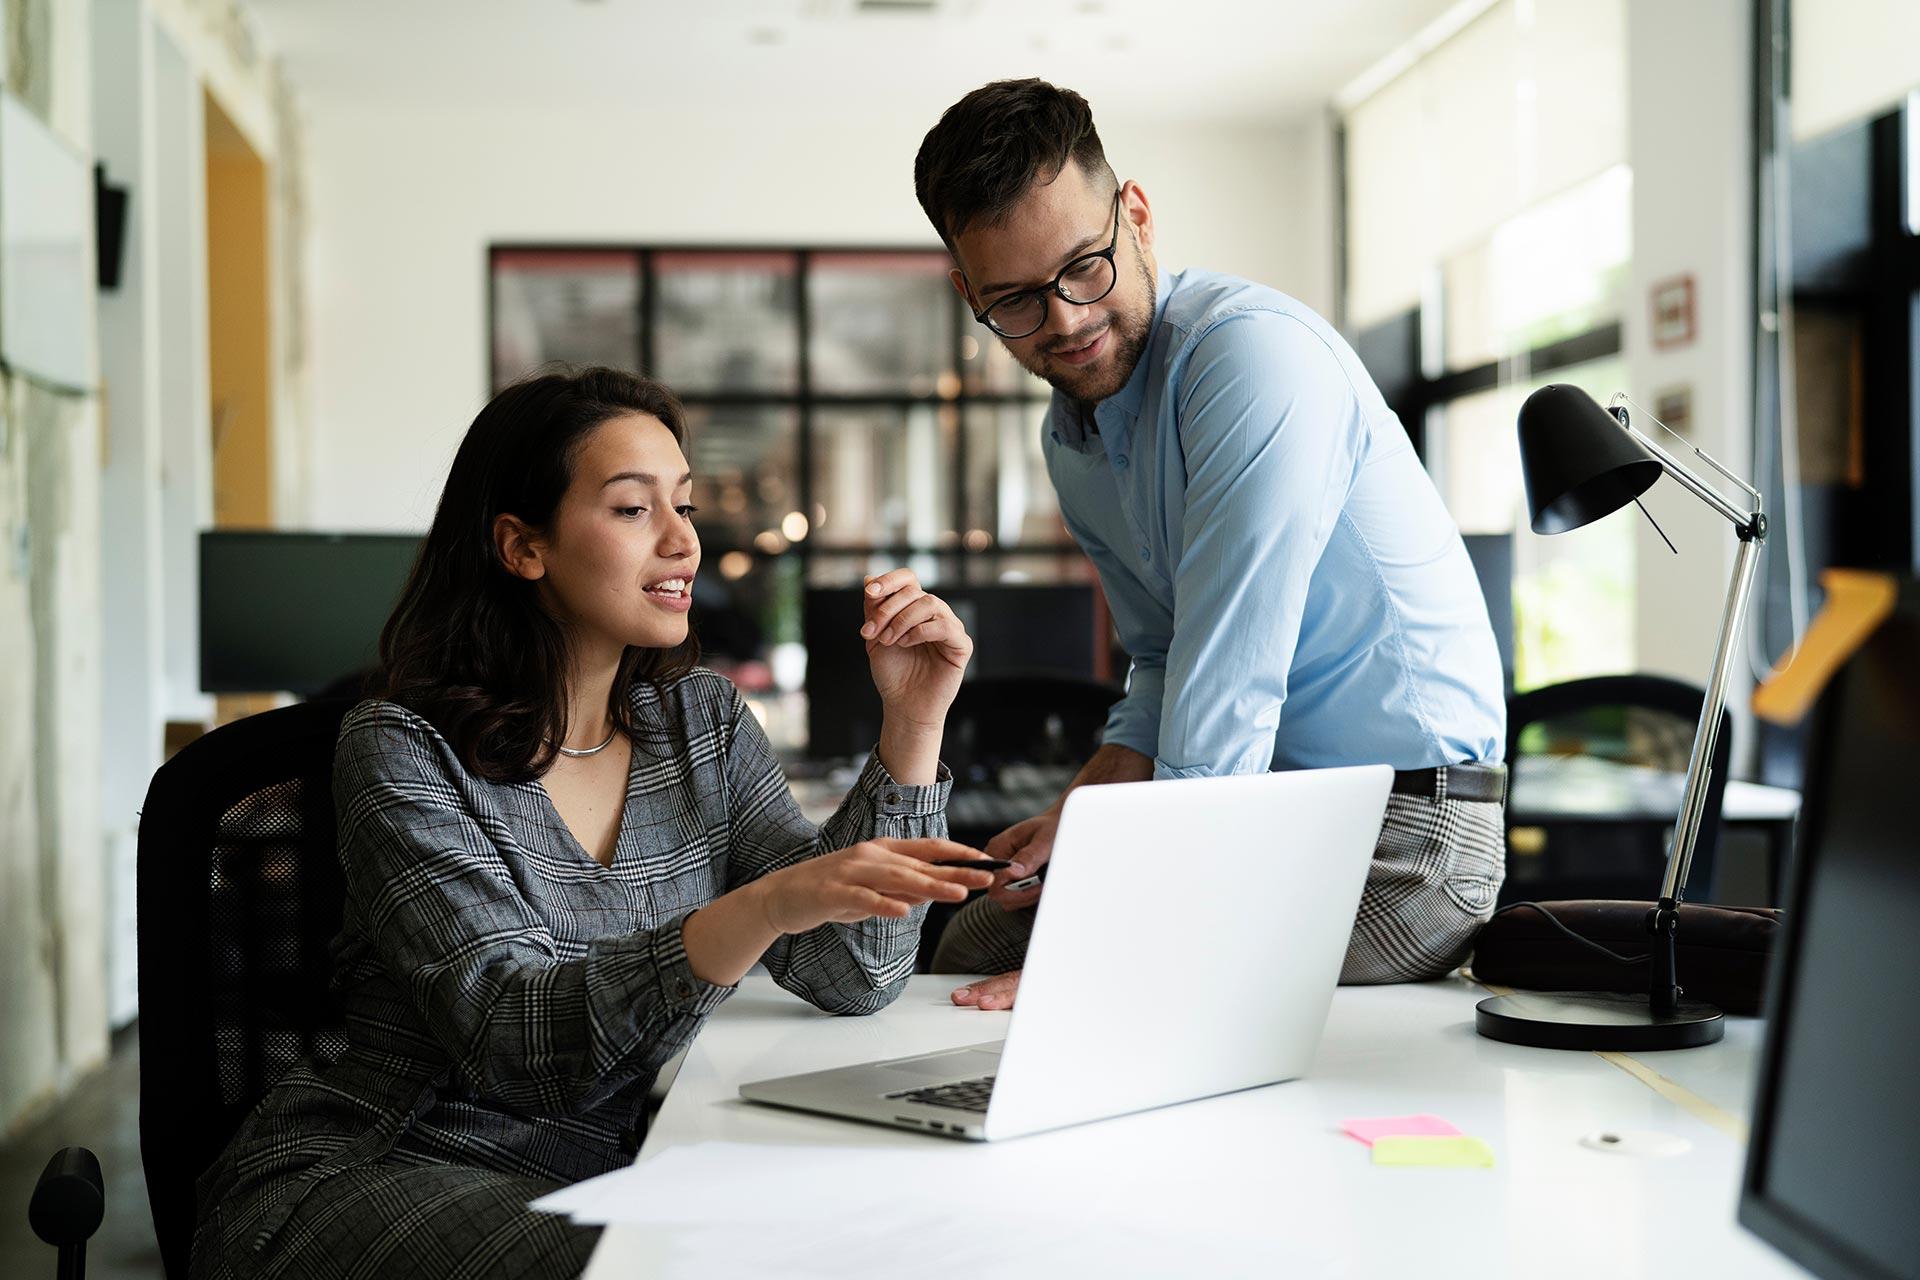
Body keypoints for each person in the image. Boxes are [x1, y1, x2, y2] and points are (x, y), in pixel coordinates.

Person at [189, 367, 995, 1279]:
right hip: (384, 1168)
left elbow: (854, 975)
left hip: (613, 1168)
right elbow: (508, 1038)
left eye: (684, 507)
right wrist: (756, 910)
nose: (682, 540)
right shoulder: (401, 750)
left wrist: (913, 725)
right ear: (523, 546)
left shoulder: (701, 726)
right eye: (631, 509)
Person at [907, 80, 1509, 1008]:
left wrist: (1137, 927)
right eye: (1017, 300)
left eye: (1084, 267)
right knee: (976, 940)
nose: (1065, 320)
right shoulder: (1074, 438)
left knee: (1122, 990)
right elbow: (1164, 661)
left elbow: (1229, 674)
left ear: (1136, 215)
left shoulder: (1252, 361)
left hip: (1407, 833)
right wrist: (1090, 807)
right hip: (1261, 812)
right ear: (969, 294)